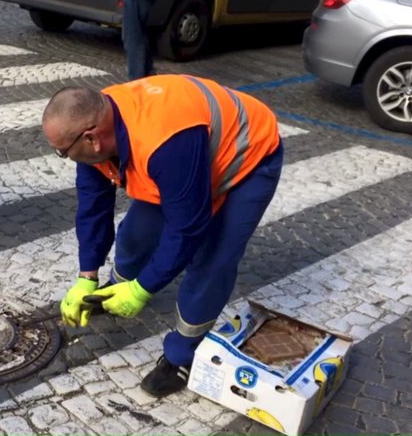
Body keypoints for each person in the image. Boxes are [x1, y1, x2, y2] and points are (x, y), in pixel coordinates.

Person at [43, 75, 283, 398]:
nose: (64, 158)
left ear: (92, 139)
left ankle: (181, 355)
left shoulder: (164, 142)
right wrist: (87, 274)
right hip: (187, 155)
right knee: (137, 233)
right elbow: (93, 206)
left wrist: (143, 289)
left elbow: (187, 228)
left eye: (62, 152)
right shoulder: (96, 117)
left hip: (246, 159)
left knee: (212, 260)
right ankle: (116, 291)